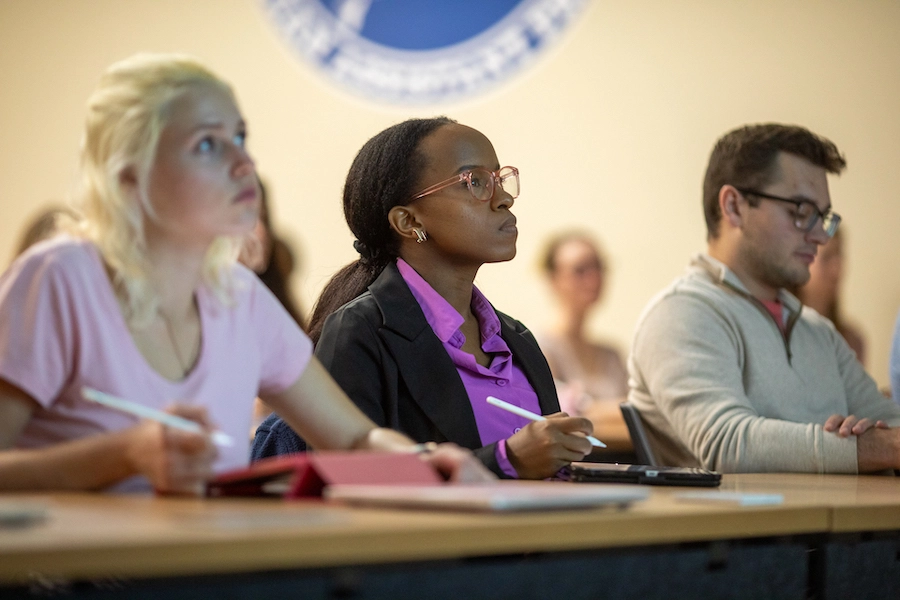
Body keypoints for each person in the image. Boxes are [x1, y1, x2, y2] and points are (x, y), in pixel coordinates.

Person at [0, 54, 489, 493]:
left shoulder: (237, 295)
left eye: (239, 138)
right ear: (130, 178)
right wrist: (122, 455)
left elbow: (355, 437)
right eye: (207, 145)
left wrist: (425, 462)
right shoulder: (60, 276)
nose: (243, 164)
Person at [254, 117, 595, 479]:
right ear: (408, 221)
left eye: (500, 179)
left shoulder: (517, 339)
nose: (505, 199)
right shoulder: (359, 333)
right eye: (475, 182)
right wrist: (504, 461)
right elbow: (354, 481)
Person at [628, 123, 900, 473]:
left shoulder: (818, 332)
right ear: (734, 207)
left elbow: (892, 428)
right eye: (802, 211)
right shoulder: (679, 315)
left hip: (838, 524)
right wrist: (863, 448)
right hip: (739, 528)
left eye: (824, 217)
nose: (819, 235)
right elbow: (727, 444)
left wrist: (872, 444)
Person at [538, 232, 631, 452]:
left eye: (598, 267)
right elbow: (555, 423)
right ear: (554, 279)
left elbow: (641, 416)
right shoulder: (541, 347)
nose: (593, 279)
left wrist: (588, 410)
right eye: (580, 270)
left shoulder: (612, 353)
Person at [792, 229, 866, 365]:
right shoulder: (778, 336)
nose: (836, 269)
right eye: (827, 258)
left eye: (839, 256)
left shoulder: (851, 341)